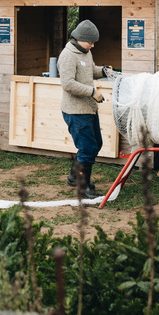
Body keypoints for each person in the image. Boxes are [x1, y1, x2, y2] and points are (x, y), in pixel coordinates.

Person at [57, 19, 110, 198]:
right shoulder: (67, 56)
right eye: (90, 42)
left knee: (96, 144)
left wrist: (103, 71)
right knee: (87, 148)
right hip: (75, 111)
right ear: (79, 38)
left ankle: (74, 177)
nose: (93, 45)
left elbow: (89, 70)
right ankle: (83, 188)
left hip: (88, 108)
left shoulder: (85, 52)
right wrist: (92, 91)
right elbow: (68, 84)